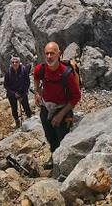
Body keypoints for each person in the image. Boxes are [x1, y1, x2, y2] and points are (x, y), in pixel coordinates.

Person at [33, 41, 81, 170]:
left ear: (58, 54)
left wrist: (60, 115)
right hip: (46, 107)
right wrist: (37, 92)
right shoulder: (41, 69)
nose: (49, 56)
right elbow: (36, 76)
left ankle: (64, 164)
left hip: (62, 109)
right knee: (50, 136)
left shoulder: (67, 74)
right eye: (47, 53)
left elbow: (76, 97)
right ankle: (54, 158)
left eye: (52, 53)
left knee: (62, 138)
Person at [4, 56, 32, 128]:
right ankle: (17, 121)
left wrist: (22, 94)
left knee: (26, 107)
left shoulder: (24, 70)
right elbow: (6, 85)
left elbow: (27, 83)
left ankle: (30, 120)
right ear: (11, 63)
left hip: (22, 92)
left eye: (16, 62)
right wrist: (14, 94)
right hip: (12, 94)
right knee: (14, 108)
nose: (14, 63)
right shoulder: (8, 72)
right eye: (13, 62)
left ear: (19, 63)